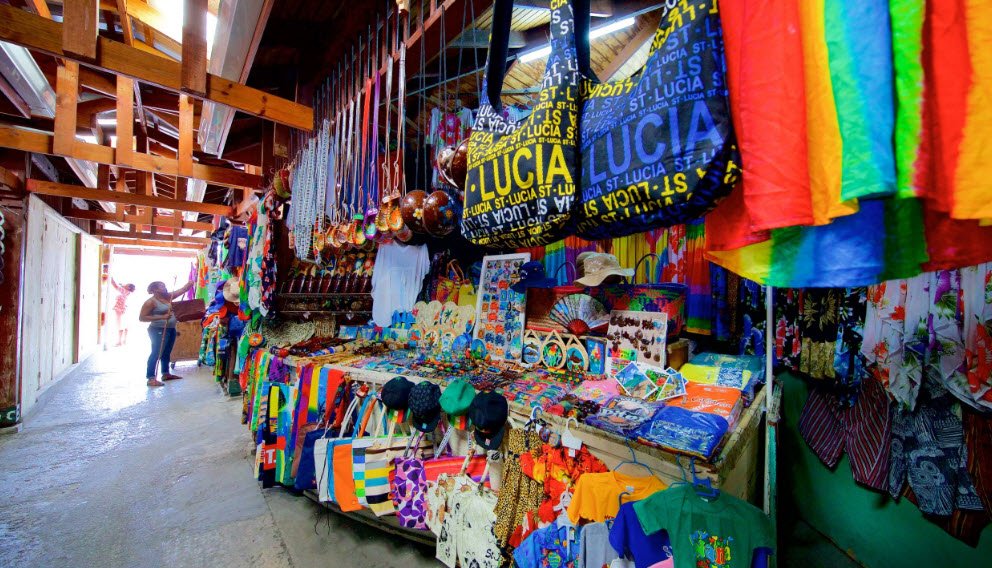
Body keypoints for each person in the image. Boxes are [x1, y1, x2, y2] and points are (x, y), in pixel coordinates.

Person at [139, 280, 193, 387]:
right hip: (157, 329)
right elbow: (142, 318)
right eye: (161, 286)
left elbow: (182, 290)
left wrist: (189, 284)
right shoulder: (151, 302)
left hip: (170, 328)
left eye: (164, 285)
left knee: (166, 352)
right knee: (156, 353)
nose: (164, 287)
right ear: (154, 290)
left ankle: (165, 374)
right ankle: (150, 378)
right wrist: (161, 317)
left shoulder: (168, 297)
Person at [110, 278, 136, 346]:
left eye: (126, 284)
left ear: (128, 287)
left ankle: (119, 342)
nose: (125, 284)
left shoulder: (124, 290)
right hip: (124, 310)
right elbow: (120, 285)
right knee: (124, 325)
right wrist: (122, 285)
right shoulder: (128, 292)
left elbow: (114, 285)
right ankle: (124, 340)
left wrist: (110, 276)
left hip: (120, 310)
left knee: (119, 325)